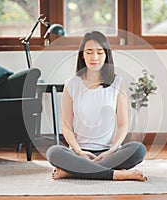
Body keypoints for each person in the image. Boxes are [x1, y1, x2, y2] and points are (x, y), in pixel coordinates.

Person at [46, 31, 147, 181]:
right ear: (82, 55)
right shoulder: (71, 84)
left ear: (106, 55)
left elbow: (122, 125)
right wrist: (79, 152)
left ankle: (74, 173)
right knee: (53, 152)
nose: (94, 57)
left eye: (100, 52)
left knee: (138, 150)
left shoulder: (117, 83)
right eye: (89, 52)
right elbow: (66, 127)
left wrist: (111, 150)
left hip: (110, 154)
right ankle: (116, 174)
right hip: (79, 154)